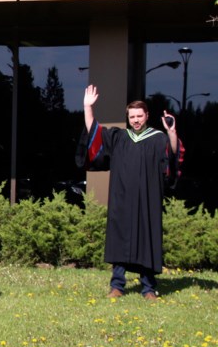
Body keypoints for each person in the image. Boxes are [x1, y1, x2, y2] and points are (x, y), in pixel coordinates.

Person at [77, 84, 182, 300]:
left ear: (147, 116)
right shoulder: (119, 138)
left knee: (147, 238)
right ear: (128, 117)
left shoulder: (157, 138)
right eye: (132, 116)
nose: (135, 120)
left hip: (148, 199)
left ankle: (148, 288)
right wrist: (88, 107)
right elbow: (94, 135)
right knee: (119, 238)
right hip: (122, 198)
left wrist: (171, 131)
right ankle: (117, 285)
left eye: (139, 116)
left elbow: (173, 154)